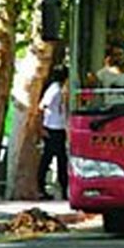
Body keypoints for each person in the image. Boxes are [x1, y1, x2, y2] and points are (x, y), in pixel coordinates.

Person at [38, 65, 69, 200]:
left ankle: (63, 187)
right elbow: (42, 107)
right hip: (52, 128)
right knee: (50, 158)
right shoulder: (54, 90)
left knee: (61, 159)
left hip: (59, 127)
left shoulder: (61, 89)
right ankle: (41, 186)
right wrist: (41, 127)